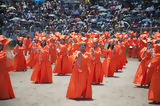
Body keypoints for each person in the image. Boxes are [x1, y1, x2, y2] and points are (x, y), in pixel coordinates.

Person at [0, 35, 15, 99]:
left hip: (3, 71)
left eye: (0, 46)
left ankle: (4, 95)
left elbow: (2, 58)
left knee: (3, 84)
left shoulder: (4, 53)